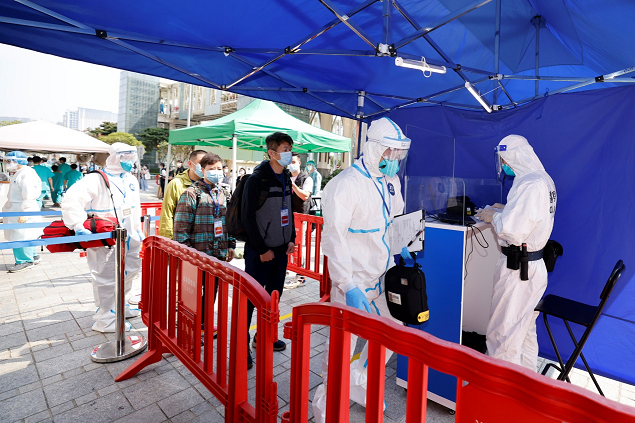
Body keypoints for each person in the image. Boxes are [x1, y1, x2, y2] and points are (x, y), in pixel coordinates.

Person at [312, 117, 411, 422]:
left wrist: (403, 244)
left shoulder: (390, 182)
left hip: (383, 276)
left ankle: (359, 377)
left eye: (399, 154)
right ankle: (326, 406)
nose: (394, 160)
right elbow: (334, 238)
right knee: (342, 346)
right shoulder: (345, 184)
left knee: (393, 331)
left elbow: (395, 220)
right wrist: (347, 284)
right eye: (390, 152)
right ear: (374, 148)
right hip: (353, 281)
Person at [475, 134, 557, 371]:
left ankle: (499, 387)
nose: (504, 165)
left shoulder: (529, 184)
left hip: (518, 271)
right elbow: (532, 216)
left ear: (514, 157)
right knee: (525, 332)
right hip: (533, 267)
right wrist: (505, 209)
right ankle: (528, 383)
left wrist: (493, 217)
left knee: (503, 334)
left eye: (505, 160)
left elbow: (512, 232)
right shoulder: (542, 179)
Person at [62, 143, 143, 332]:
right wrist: (77, 224)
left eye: (131, 157)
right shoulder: (95, 179)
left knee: (130, 271)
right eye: (124, 157)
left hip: (130, 235)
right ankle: (105, 318)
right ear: (113, 157)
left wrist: (138, 230)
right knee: (106, 276)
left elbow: (135, 206)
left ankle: (120, 306)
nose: (129, 161)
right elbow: (71, 200)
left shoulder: (131, 179)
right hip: (106, 235)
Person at [241, 132, 296, 369]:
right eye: (285, 149)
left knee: (274, 296)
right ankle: (242, 344)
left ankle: (264, 335)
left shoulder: (285, 177)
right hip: (260, 252)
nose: (289, 154)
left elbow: (288, 209)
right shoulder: (257, 180)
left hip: (281, 250)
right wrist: (262, 248)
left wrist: (291, 238)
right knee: (251, 299)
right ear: (272, 153)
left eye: (290, 149)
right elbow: (247, 217)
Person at [173, 153, 235, 337]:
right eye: (211, 169)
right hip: (198, 255)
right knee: (192, 293)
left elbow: (229, 223)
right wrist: (189, 255)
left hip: (218, 253)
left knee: (211, 290)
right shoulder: (191, 193)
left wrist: (230, 245)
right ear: (202, 170)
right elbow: (181, 228)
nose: (216, 172)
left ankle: (203, 323)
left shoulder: (224, 193)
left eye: (219, 168)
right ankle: (188, 327)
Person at [2, 151, 42, 272]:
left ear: (17, 161)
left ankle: (25, 261)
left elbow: (29, 194)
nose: (7, 163)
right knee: (26, 234)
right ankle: (33, 256)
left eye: (9, 161)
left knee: (20, 235)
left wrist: (25, 212)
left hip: (23, 208)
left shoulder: (26, 173)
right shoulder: (21, 172)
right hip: (18, 208)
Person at [158, 150, 206, 239]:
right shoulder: (176, 184)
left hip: (202, 239)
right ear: (190, 164)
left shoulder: (209, 184)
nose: (203, 167)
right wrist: (169, 241)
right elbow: (167, 214)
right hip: (182, 238)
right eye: (200, 163)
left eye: (206, 163)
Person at [284, 152, 313, 289]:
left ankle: (301, 276)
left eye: (293, 162)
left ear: (299, 163)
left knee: (299, 246)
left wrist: (293, 186)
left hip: (301, 218)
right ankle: (286, 269)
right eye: (289, 162)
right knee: (285, 244)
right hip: (286, 217)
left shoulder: (306, 179)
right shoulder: (285, 176)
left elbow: (305, 196)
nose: (291, 165)